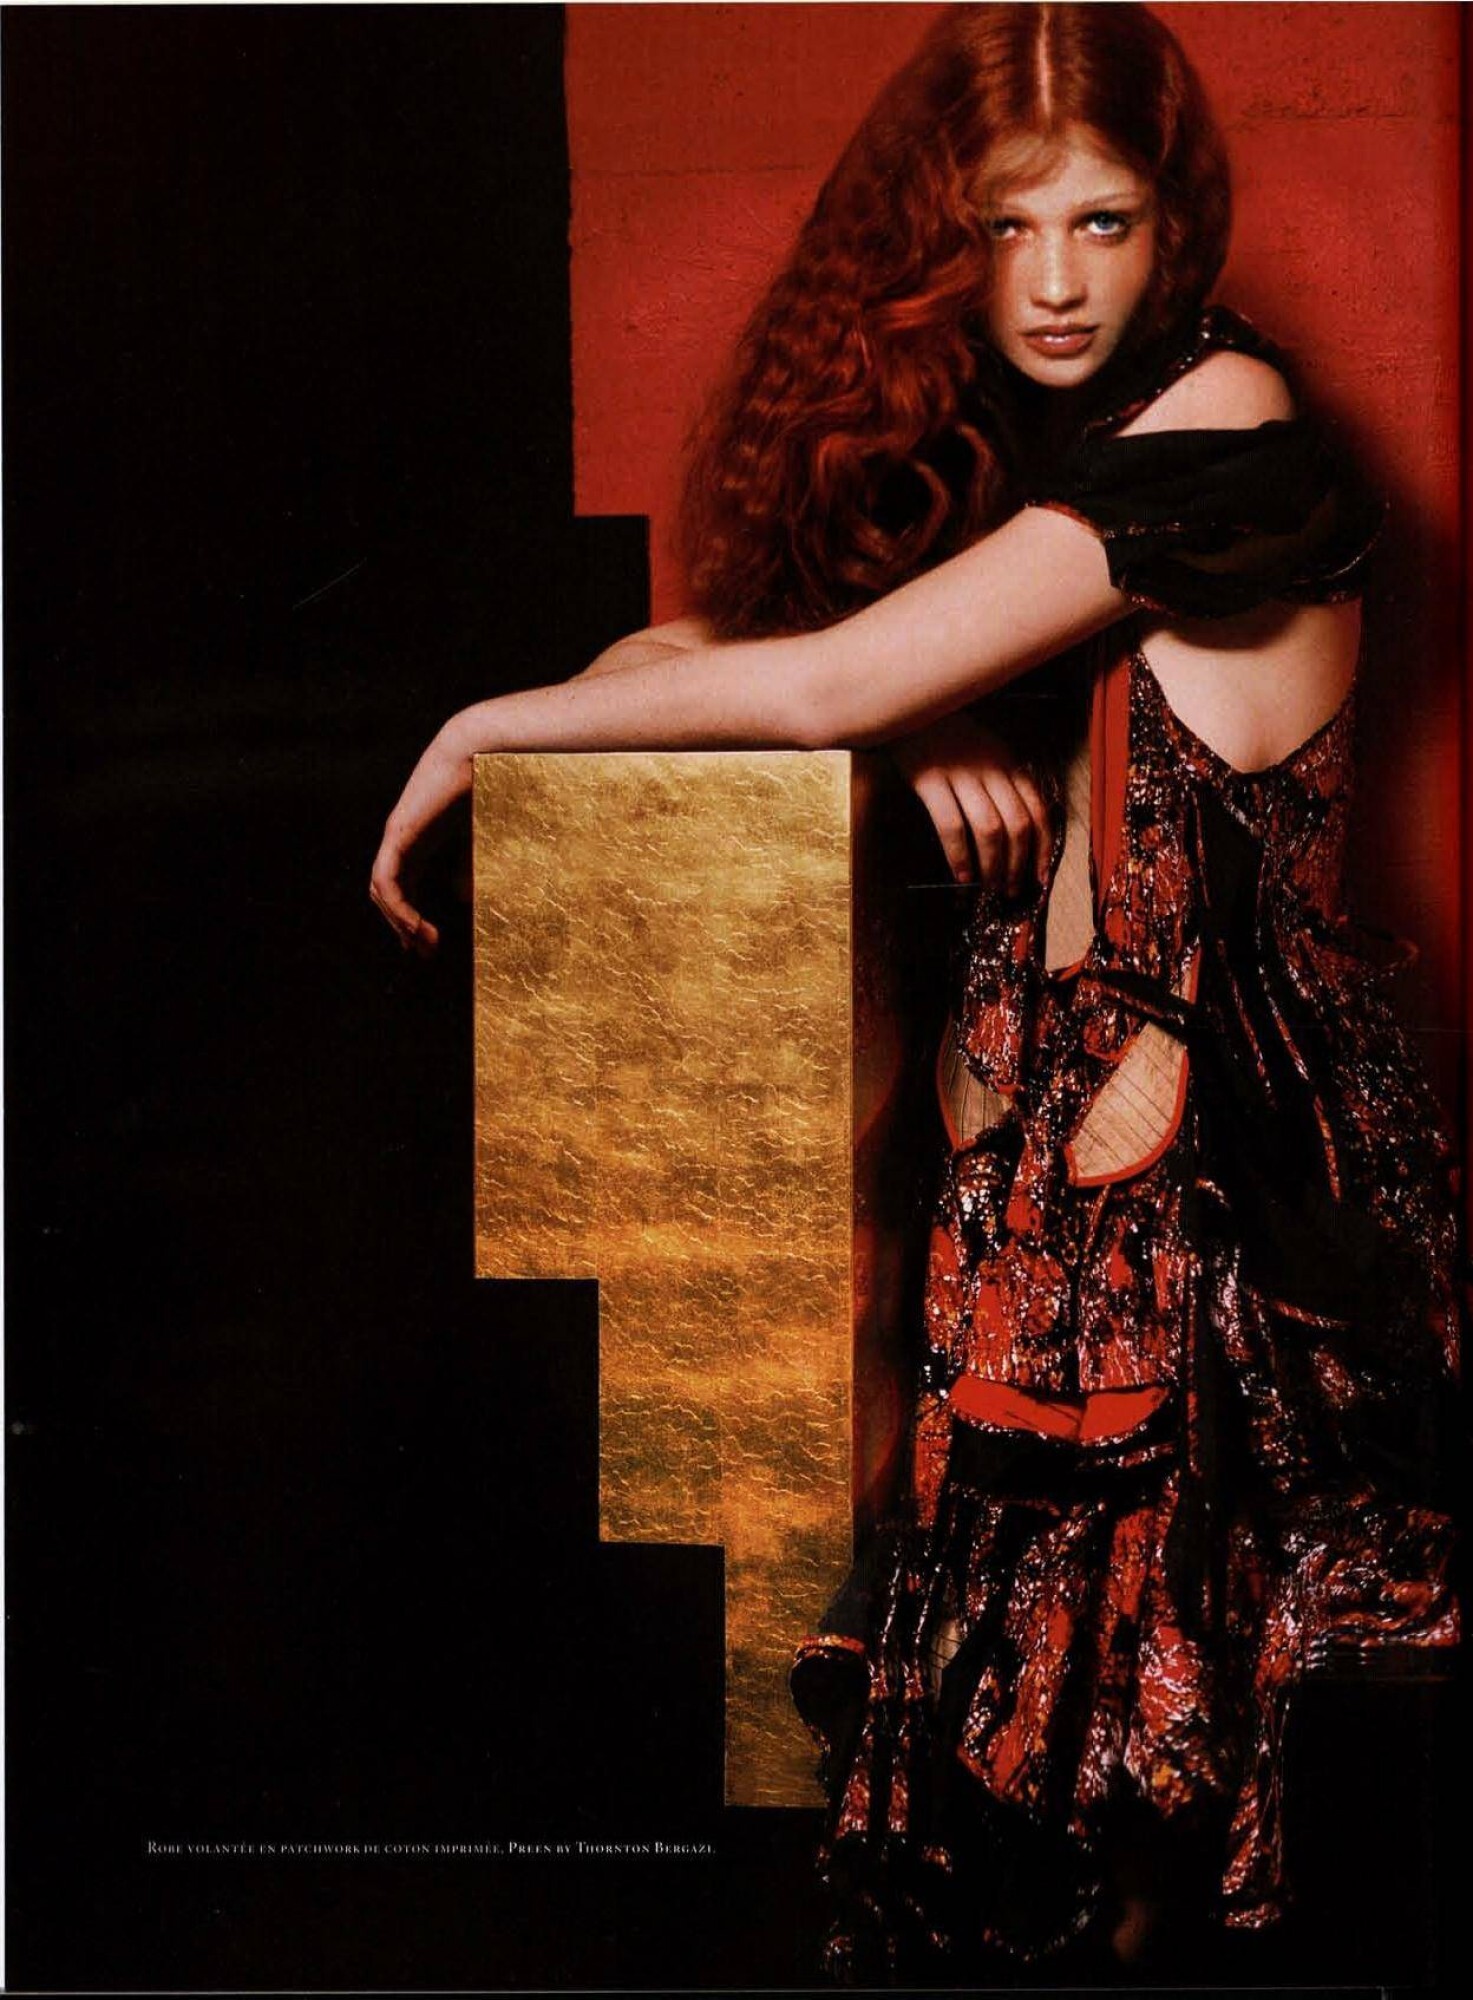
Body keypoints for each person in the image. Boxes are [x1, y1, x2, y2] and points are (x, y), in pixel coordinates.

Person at [371, 3, 1459, 1982]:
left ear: (1175, 222)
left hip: (1221, 1178)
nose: (1051, 283)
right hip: (1050, 1193)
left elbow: (805, 683)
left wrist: (470, 729)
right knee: (1016, 1824)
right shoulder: (1056, 462)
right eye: (1004, 226)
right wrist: (912, 709)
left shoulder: (1222, 418)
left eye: (1101, 222)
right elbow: (717, 660)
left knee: (1176, 1808)